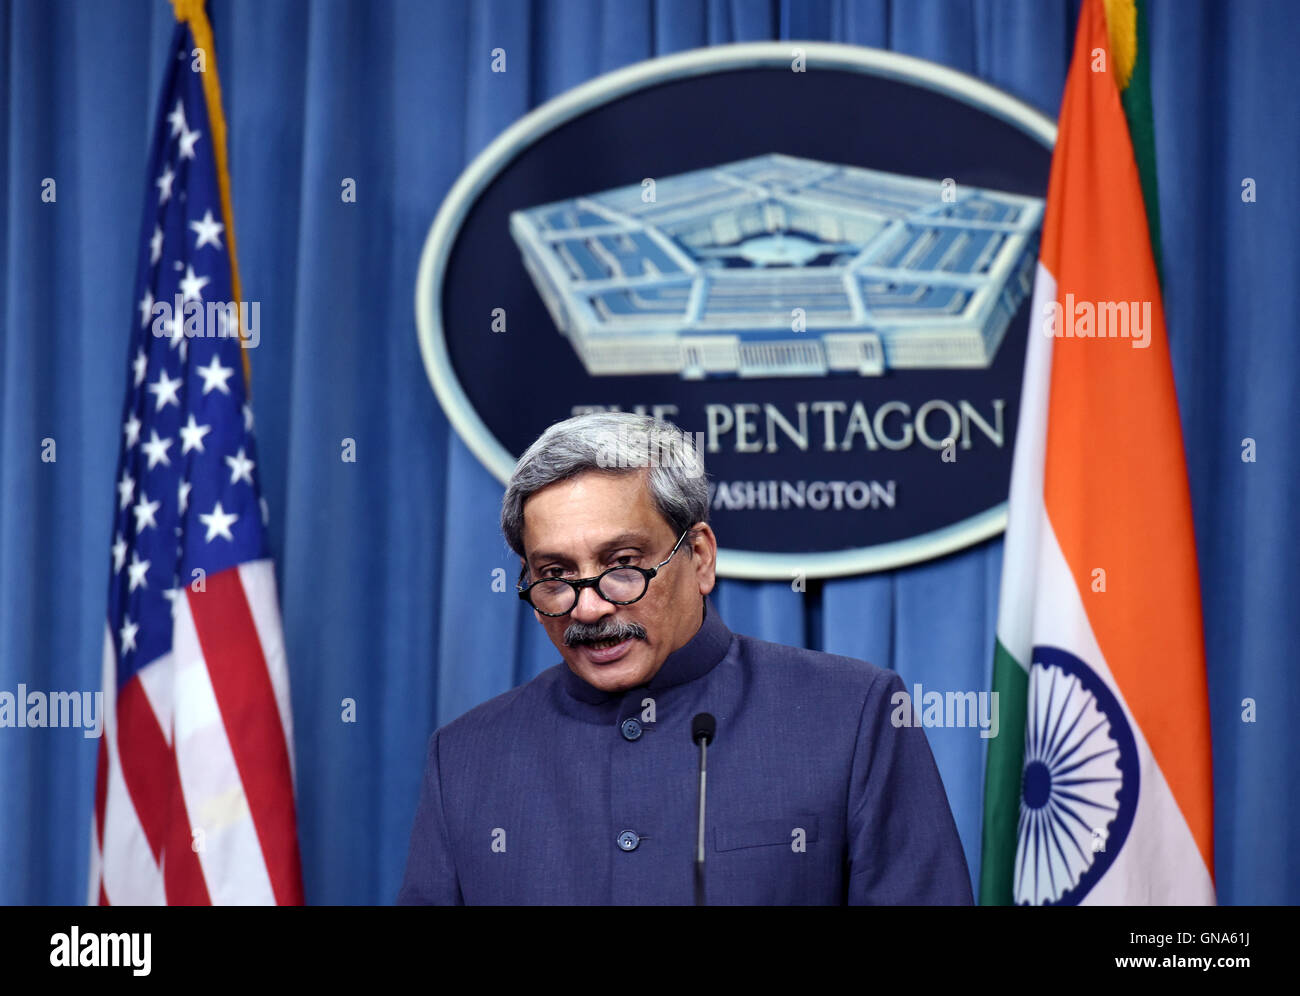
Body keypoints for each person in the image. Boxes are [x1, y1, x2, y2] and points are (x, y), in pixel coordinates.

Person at [397, 412, 973, 904]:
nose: (590, 607)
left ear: (698, 557)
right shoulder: (468, 757)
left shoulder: (851, 717)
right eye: (555, 576)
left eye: (622, 563)